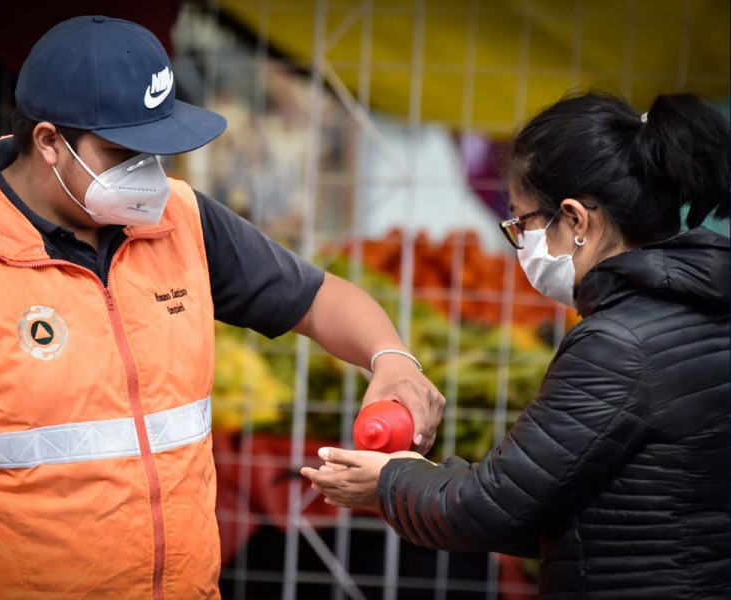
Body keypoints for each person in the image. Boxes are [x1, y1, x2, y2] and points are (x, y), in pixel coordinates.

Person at [0, 15, 446, 600]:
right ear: (48, 142)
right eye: (124, 152)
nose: (148, 173)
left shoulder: (182, 219)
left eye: (157, 150)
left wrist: (390, 359)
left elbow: (318, 298)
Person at [302, 91, 730, 597]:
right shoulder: (703, 306)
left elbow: (489, 510)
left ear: (575, 220)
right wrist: (423, 478)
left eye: (521, 222)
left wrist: (389, 483)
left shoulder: (617, 344)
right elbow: (561, 503)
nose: (518, 241)